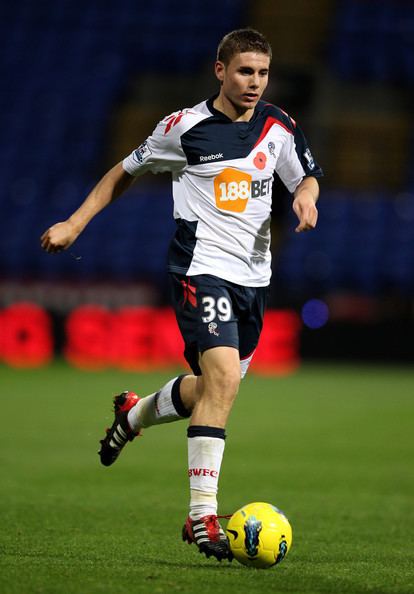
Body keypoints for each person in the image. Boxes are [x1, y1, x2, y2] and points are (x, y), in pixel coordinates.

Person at [40, 28, 322, 562]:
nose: (254, 83)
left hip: (255, 280)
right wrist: (74, 224)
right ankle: (202, 517)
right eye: (244, 71)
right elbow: (122, 171)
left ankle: (133, 415)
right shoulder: (184, 128)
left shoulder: (278, 125)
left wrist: (306, 198)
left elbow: (305, 175)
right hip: (200, 269)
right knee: (221, 382)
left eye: (262, 73)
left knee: (212, 390)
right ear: (220, 71)